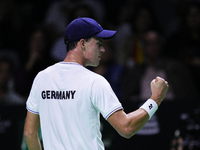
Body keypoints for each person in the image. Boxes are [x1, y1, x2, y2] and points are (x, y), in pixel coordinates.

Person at [23, 17, 169, 150]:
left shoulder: (42, 78)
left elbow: (29, 134)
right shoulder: (94, 81)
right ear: (82, 43)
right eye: (98, 43)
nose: (103, 49)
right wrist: (155, 99)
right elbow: (126, 128)